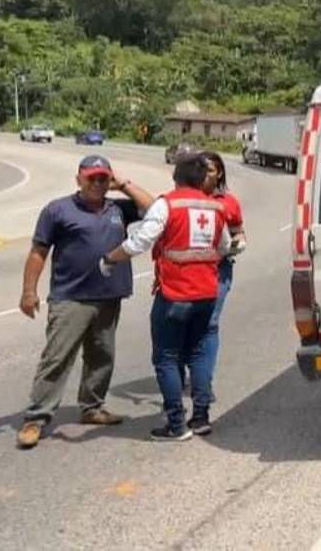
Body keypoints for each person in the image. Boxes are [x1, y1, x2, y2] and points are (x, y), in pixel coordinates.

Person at [16, 155, 155, 450]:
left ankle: (92, 407)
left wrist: (124, 185)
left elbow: (155, 208)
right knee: (57, 358)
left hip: (109, 296)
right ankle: (36, 418)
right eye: (91, 178)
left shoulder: (119, 208)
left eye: (103, 178)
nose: (97, 183)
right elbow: (39, 252)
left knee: (102, 356)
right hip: (70, 297)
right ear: (78, 179)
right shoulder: (57, 210)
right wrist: (29, 291)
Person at [100, 154, 236, 441]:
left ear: (176, 177)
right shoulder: (215, 207)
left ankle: (176, 424)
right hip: (207, 293)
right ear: (202, 179)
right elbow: (225, 246)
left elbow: (139, 241)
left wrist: (110, 259)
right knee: (198, 353)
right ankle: (201, 417)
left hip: (175, 294)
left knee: (166, 356)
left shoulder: (167, 204)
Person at [191, 152, 245, 401]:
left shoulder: (229, 203)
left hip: (218, 271)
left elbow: (239, 232)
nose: (205, 175)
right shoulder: (184, 199)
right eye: (200, 169)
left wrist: (238, 244)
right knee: (185, 323)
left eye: (210, 170)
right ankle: (182, 367)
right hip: (185, 273)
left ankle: (203, 381)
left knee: (210, 324)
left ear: (219, 173)